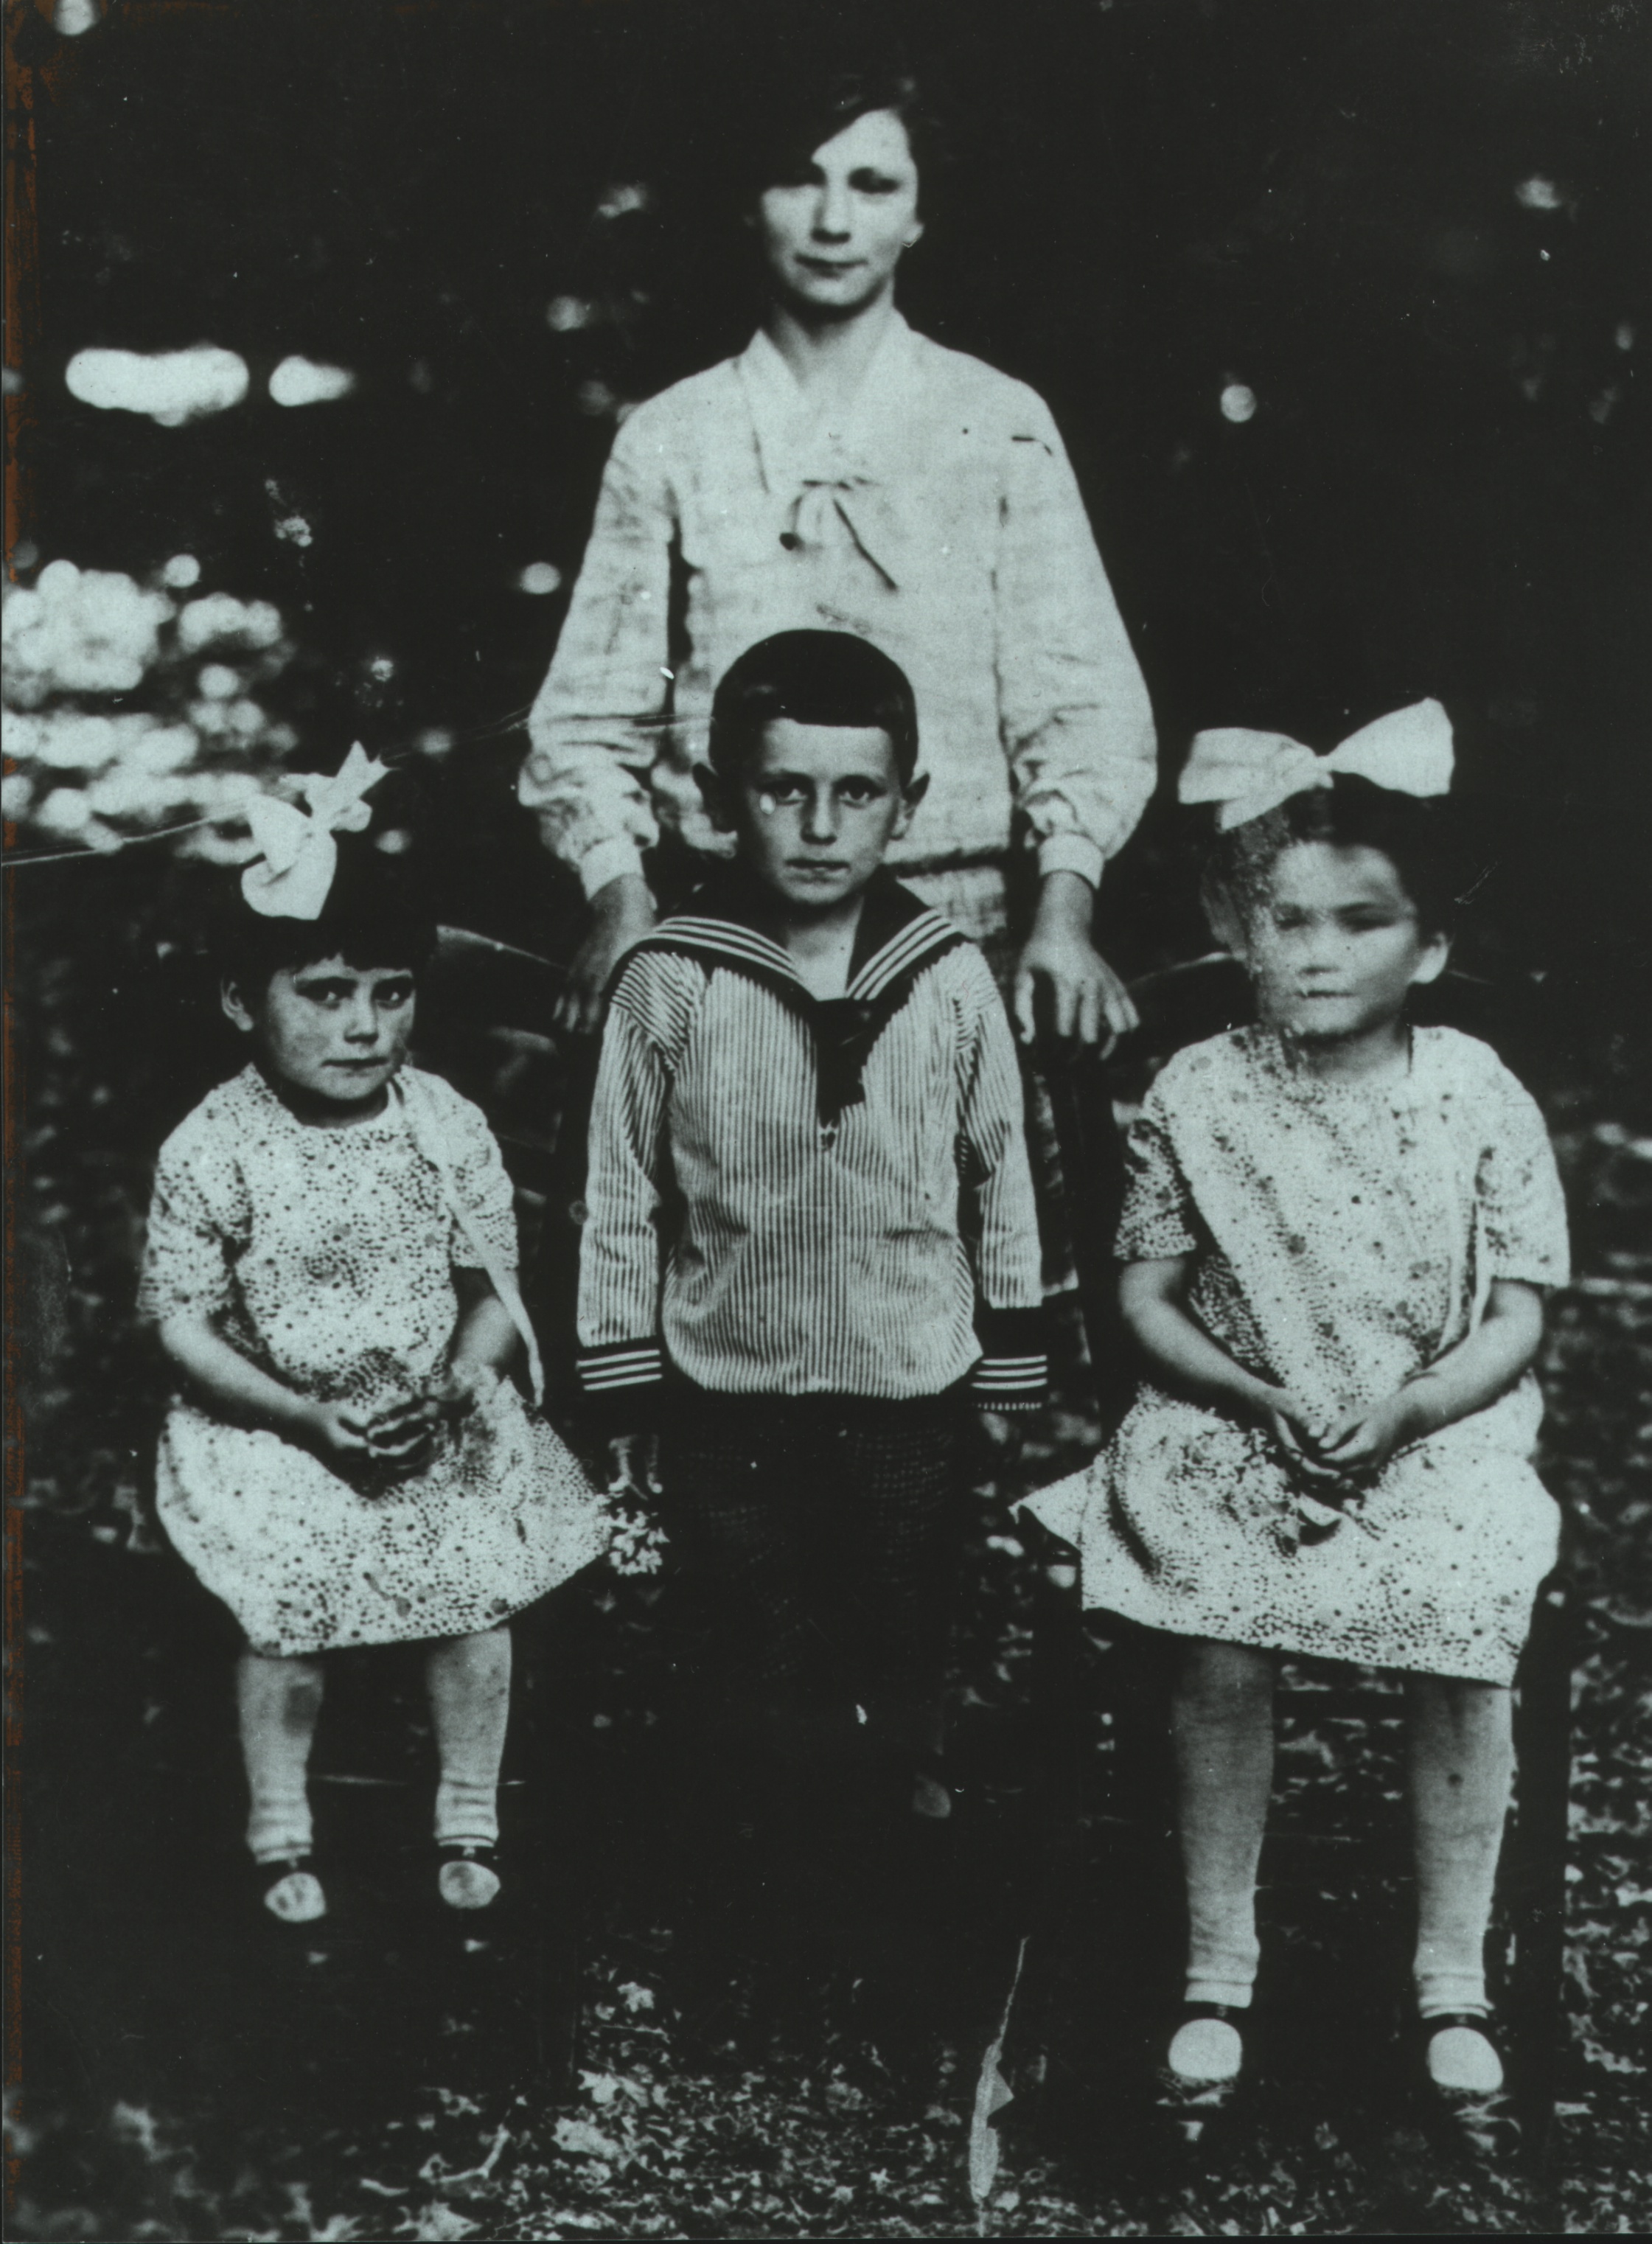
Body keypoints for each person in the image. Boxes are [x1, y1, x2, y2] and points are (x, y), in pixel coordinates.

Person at [1024, 705, 1569, 2125]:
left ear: (1428, 948)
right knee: (1211, 1600)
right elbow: (1143, 1295)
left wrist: (1415, 1405)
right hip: (1236, 1416)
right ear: (1239, 934)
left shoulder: (1473, 1092)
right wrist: (1246, 1390)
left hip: (1428, 1424)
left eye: (1358, 921)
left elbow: (1516, 1312)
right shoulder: (1201, 1091)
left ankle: (1451, 1976)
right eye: (1284, 920)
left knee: (1466, 1603)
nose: (1315, 952)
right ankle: (1217, 1966)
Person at [520, 58, 1156, 1052]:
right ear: (750, 201)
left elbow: (1081, 705)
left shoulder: (996, 420)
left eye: (872, 185)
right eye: (798, 180)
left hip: (963, 924)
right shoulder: (673, 435)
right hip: (720, 924)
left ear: (919, 214)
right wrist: (620, 895)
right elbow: (589, 718)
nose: (831, 222)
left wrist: (1063, 915)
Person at [575, 630, 1048, 1851]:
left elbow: (999, 1166)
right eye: (784, 791)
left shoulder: (945, 974)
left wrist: (1009, 1358)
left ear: (908, 805)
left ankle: (887, 1832)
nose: (822, 827)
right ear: (719, 799)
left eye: (857, 794)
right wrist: (623, 1375)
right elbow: (619, 1189)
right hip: (727, 1375)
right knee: (747, 1622)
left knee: (897, 1604)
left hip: (906, 1373)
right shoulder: (671, 977)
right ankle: (760, 1847)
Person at [140, 758, 607, 1925]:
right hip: (270, 1416)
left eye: (391, 994)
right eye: (326, 993)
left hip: (421, 1405)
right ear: (242, 1002)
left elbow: (493, 1286)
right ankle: (281, 1820)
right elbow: (181, 1323)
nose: (363, 1025)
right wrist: (301, 1417)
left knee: (470, 1585)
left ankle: (467, 1808)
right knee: (287, 1583)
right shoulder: (215, 1145)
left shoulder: (442, 1124)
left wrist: (460, 1378)